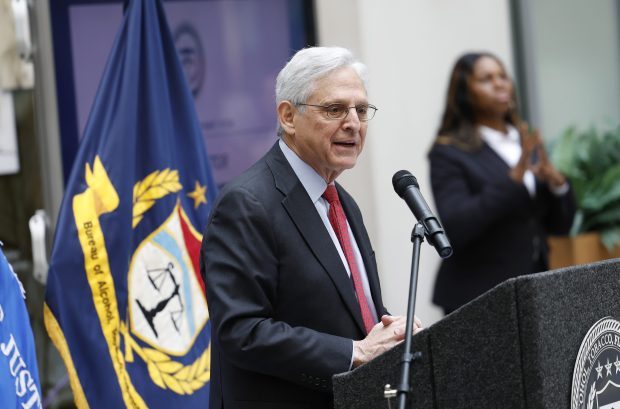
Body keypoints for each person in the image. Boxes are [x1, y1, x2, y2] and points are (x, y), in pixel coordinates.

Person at [200, 46, 421, 409]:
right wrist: (354, 352)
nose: (353, 123)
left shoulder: (341, 201)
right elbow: (240, 331)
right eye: (335, 109)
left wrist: (390, 334)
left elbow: (349, 314)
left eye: (361, 110)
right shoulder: (247, 203)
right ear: (288, 116)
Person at [428, 52, 577, 315]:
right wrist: (515, 178)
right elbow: (458, 224)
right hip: (478, 294)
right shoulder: (449, 152)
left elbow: (559, 225)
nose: (499, 84)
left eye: (502, 76)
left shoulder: (523, 141)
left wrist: (556, 183)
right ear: (464, 93)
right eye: (486, 79)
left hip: (534, 286)